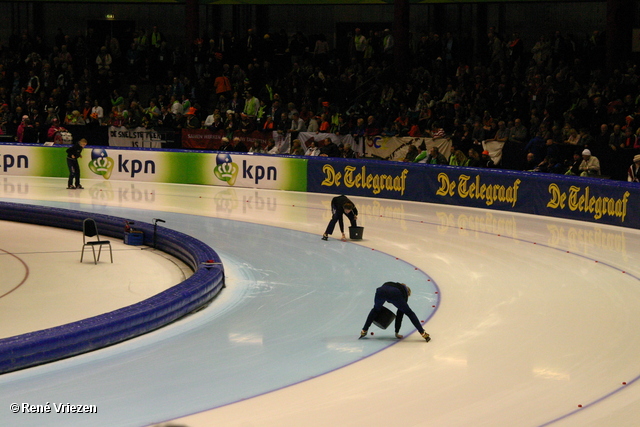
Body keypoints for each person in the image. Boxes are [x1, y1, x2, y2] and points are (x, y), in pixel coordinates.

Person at [360, 281, 431, 342]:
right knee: (410, 313)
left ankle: (364, 330)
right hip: (395, 293)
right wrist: (396, 332)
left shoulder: (391, 283)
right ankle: (423, 333)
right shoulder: (404, 294)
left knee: (375, 310)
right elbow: (399, 315)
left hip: (380, 290)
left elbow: (386, 292)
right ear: (407, 293)